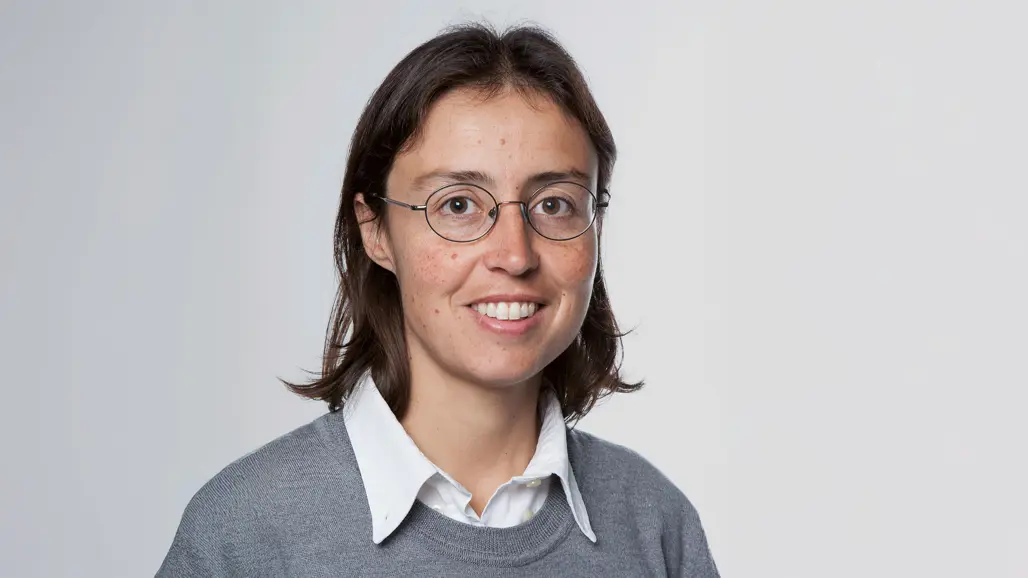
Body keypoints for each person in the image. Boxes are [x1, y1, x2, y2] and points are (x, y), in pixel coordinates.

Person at [157, 22, 719, 577]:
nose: (515, 255)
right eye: (457, 205)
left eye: (553, 204)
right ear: (375, 231)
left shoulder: (654, 525)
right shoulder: (248, 532)